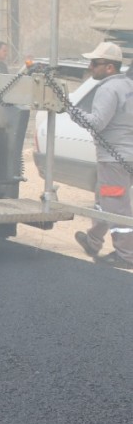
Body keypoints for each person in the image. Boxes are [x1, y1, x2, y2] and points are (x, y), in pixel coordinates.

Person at [70, 41, 133, 270]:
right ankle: (93, 241)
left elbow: (97, 123)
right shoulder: (128, 85)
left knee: (116, 205)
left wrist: (72, 111)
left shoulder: (107, 89)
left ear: (109, 68)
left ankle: (126, 254)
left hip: (113, 159)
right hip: (126, 156)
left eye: (95, 63)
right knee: (103, 197)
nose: (90, 66)